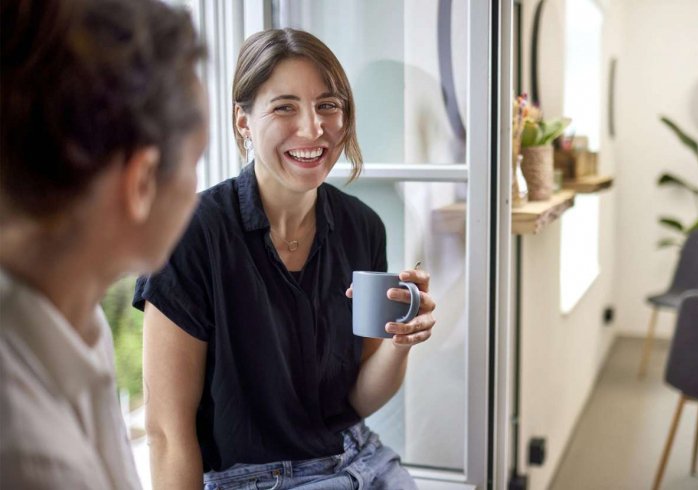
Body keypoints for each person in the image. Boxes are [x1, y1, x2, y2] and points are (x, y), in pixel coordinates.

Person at [134, 28, 436, 489]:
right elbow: (167, 436)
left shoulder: (362, 226)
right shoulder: (189, 234)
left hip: (363, 461)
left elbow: (357, 401)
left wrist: (401, 339)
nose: (313, 129)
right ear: (243, 121)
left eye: (327, 105)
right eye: (284, 107)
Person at [0, 0, 208, 488]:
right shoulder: (34, 459)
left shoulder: (75, 324)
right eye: (196, 160)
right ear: (141, 183)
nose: (198, 188)